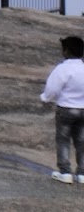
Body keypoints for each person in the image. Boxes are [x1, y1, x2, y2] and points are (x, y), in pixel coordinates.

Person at [41, 35, 84, 184]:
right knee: (81, 141)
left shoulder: (62, 69)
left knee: (63, 140)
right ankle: (82, 173)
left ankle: (65, 172)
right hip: (83, 109)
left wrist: (45, 98)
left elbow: (52, 89)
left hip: (65, 109)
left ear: (66, 51)